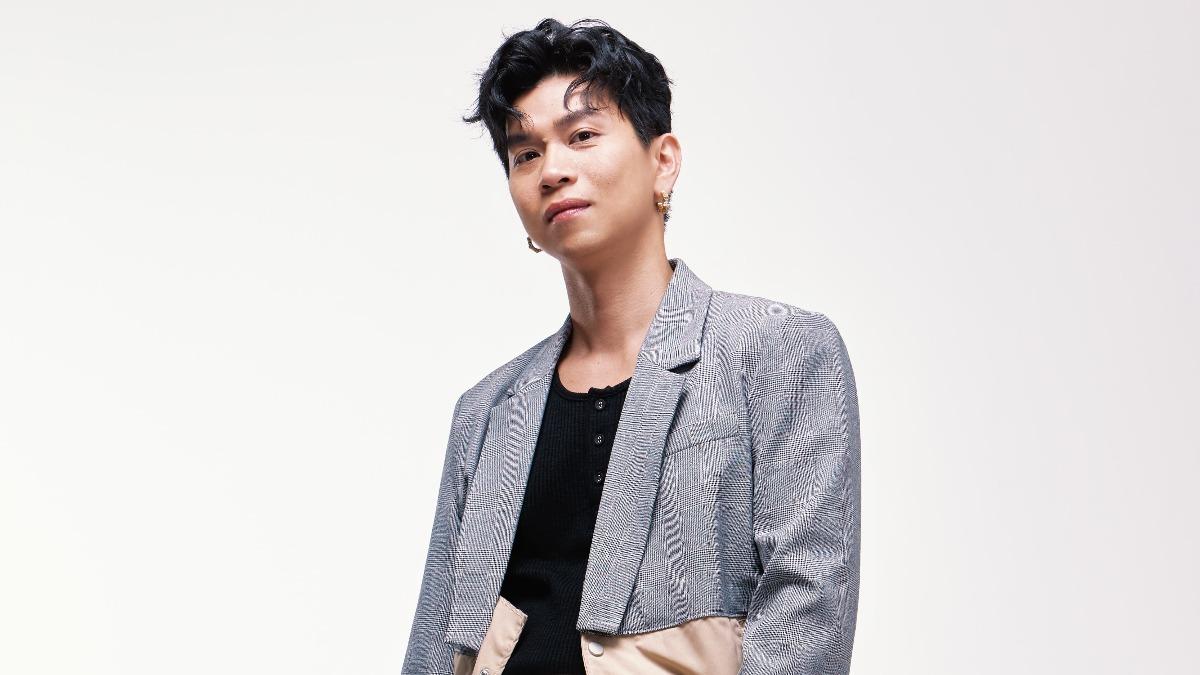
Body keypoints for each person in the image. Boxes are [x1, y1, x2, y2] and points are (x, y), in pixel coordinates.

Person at [402, 17, 861, 675]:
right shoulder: (486, 411)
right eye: (525, 154)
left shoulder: (778, 352)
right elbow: (435, 642)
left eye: (582, 136)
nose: (552, 170)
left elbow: (807, 618)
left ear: (662, 161)